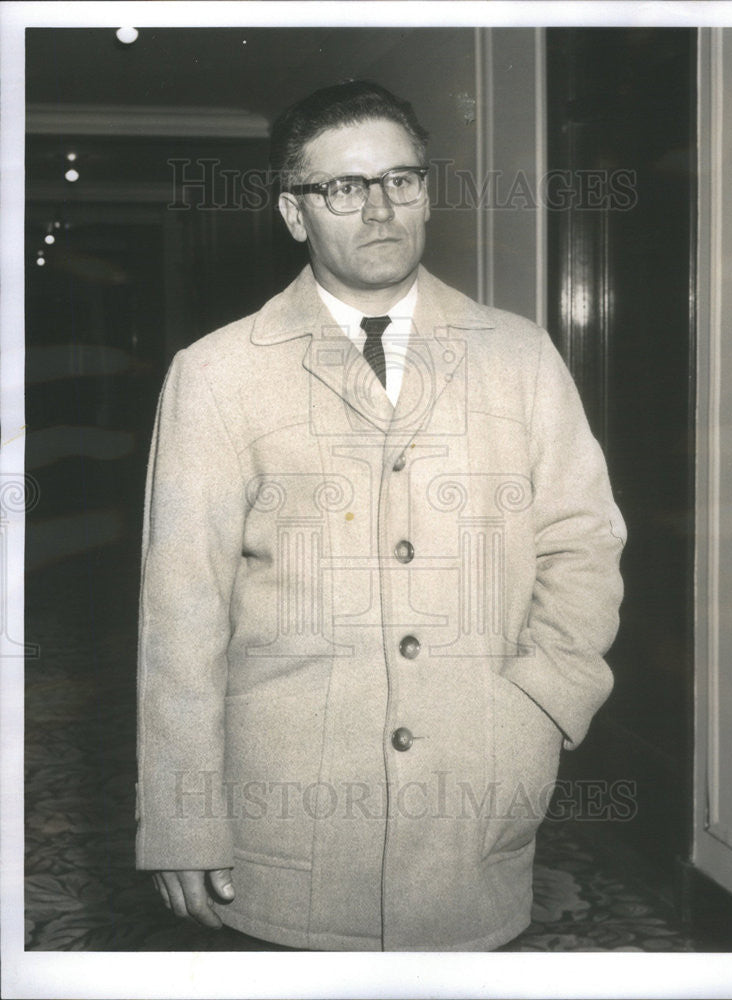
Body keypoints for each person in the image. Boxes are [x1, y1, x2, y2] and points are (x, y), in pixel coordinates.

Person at [136, 80, 626, 952]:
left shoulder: (519, 355)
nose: (378, 209)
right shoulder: (215, 374)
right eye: (343, 188)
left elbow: (581, 542)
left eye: (400, 180)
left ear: (426, 193)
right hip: (286, 814)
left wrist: (542, 705)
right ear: (295, 213)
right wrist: (181, 813)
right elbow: (181, 611)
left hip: (473, 798)